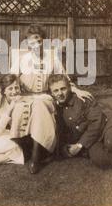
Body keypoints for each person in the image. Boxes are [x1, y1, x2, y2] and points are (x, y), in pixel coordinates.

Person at [9, 24, 93, 174]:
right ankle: (22, 149)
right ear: (27, 44)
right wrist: (3, 93)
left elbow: (64, 79)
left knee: (40, 105)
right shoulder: (23, 59)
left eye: (39, 41)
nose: (36, 45)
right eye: (32, 42)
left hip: (45, 96)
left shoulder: (52, 58)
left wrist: (75, 89)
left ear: (43, 41)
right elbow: (9, 80)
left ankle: (35, 155)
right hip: (26, 96)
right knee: (20, 108)